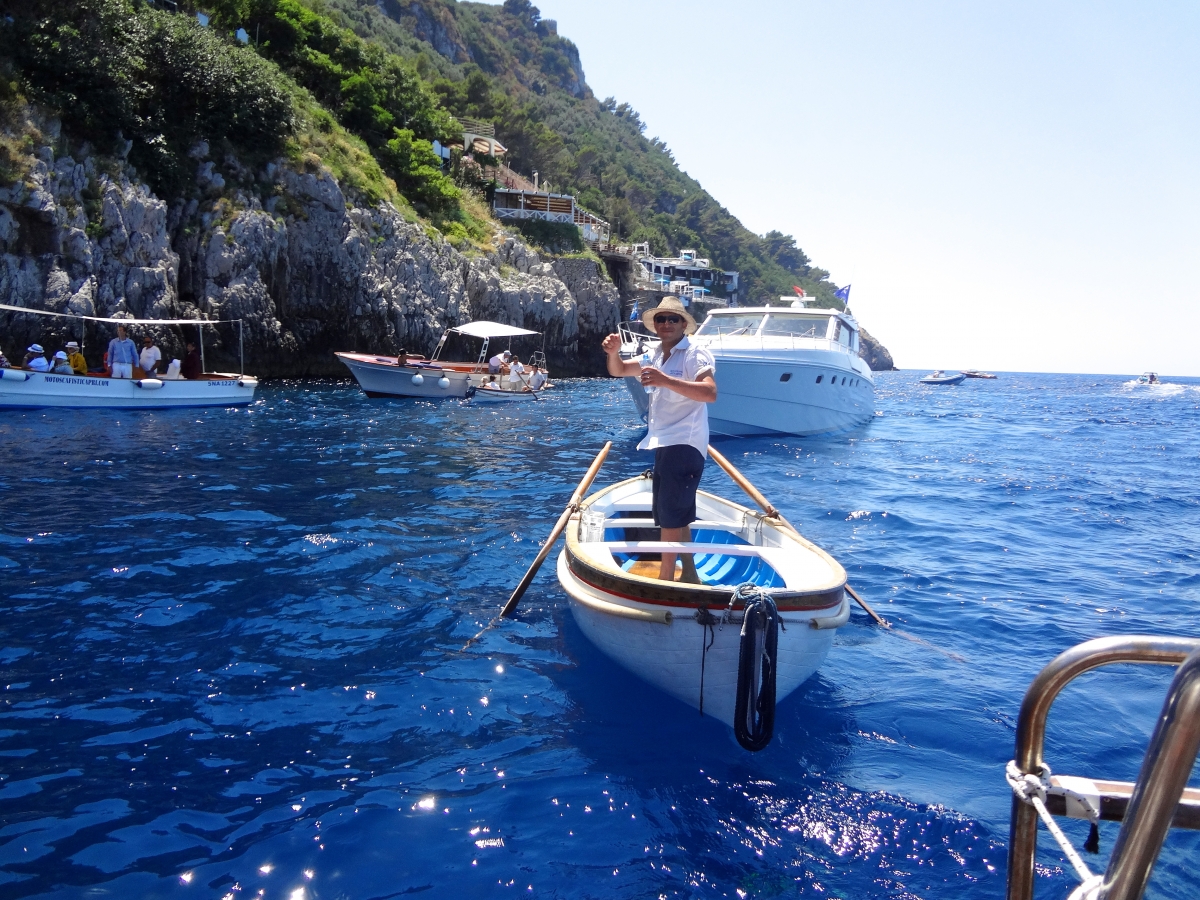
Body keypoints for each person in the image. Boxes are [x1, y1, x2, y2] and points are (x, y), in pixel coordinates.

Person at [602, 296, 717, 582]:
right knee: (678, 511)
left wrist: (665, 380)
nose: (666, 324)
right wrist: (613, 353)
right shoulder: (652, 355)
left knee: (669, 515)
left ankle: (666, 580)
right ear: (654, 325)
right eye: (661, 319)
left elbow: (709, 393)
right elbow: (618, 370)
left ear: (684, 325)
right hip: (664, 442)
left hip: (685, 442)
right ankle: (689, 573)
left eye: (673, 319)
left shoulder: (694, 354)